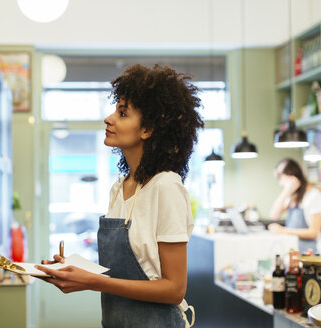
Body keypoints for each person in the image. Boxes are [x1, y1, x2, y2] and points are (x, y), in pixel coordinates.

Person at [36, 64, 204, 327]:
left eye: (122, 113)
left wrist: (91, 281)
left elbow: (174, 289)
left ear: (147, 129)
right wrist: (75, 269)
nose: (109, 118)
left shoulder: (166, 187)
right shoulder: (120, 188)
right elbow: (127, 272)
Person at [268, 158, 321, 253]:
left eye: (281, 178)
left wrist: (284, 230)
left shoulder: (313, 196)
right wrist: (285, 192)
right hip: (293, 253)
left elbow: (314, 232)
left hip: (307, 254)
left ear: (293, 178)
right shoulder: (293, 197)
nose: (280, 183)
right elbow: (274, 215)